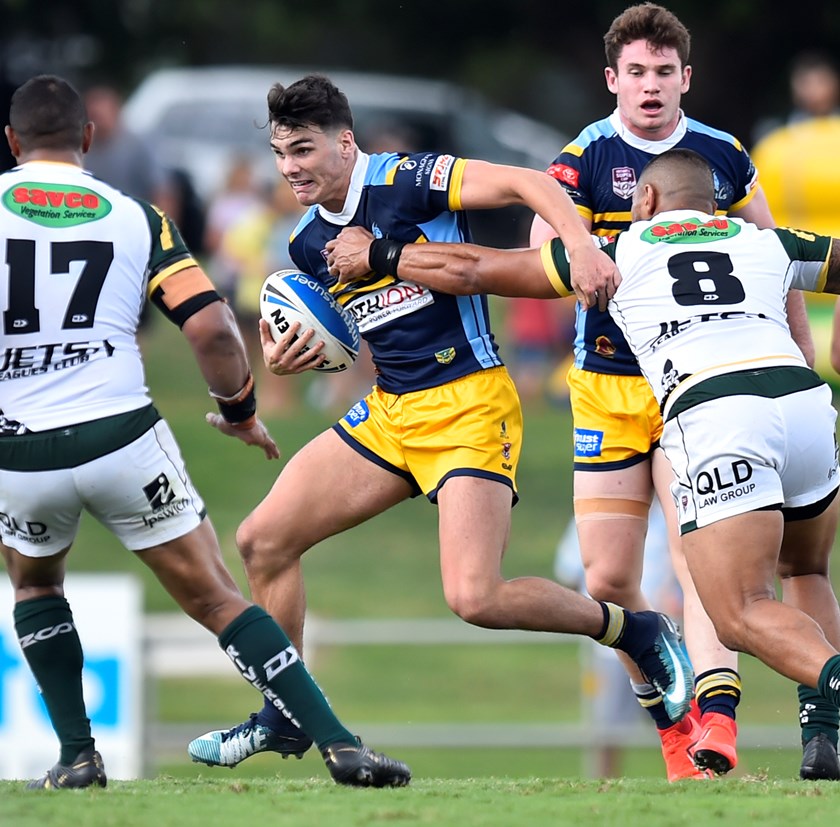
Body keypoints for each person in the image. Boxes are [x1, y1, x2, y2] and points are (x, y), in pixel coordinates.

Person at [186, 72, 693, 770]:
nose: (290, 168)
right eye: (280, 154)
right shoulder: (306, 244)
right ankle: (287, 714)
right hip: (392, 412)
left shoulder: (409, 180)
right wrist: (298, 355)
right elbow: (360, 336)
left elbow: (525, 182)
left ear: (344, 142)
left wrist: (578, 242)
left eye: (303, 149)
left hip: (470, 404)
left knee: (475, 595)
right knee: (263, 539)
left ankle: (636, 630)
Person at [325, 148, 840, 782]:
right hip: (808, 404)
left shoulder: (616, 251)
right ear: (715, 204)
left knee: (738, 612)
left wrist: (381, 256)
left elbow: (474, 268)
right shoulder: (769, 242)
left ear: (644, 203)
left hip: (721, 414)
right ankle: (825, 734)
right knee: (807, 567)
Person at [0, 74, 410, 790]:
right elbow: (213, 327)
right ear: (90, 139)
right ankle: (340, 746)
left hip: (16, 448)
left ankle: (76, 757)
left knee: (35, 586)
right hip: (118, 436)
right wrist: (242, 410)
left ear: (11, 143)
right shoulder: (134, 216)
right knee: (220, 598)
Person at [527, 2, 818, 781]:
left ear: (685, 78)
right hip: (609, 387)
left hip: (697, 391)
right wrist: (586, 253)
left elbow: (775, 257)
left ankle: (709, 743)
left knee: (702, 572)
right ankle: (675, 721)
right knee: (610, 581)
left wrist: (802, 354)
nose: (650, 87)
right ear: (611, 80)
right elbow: (541, 247)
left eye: (664, 72)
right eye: (636, 73)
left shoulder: (721, 153)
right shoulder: (585, 155)